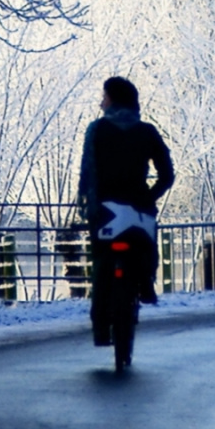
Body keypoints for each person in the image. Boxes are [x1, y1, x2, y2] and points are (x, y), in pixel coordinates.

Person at [75, 76, 174, 369]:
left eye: (104, 97)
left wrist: (86, 202)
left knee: (101, 261)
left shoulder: (97, 129)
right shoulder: (147, 131)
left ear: (113, 100)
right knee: (145, 251)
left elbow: (87, 172)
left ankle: (101, 325)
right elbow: (167, 174)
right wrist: (149, 196)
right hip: (138, 208)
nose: (101, 102)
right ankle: (145, 285)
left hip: (105, 210)